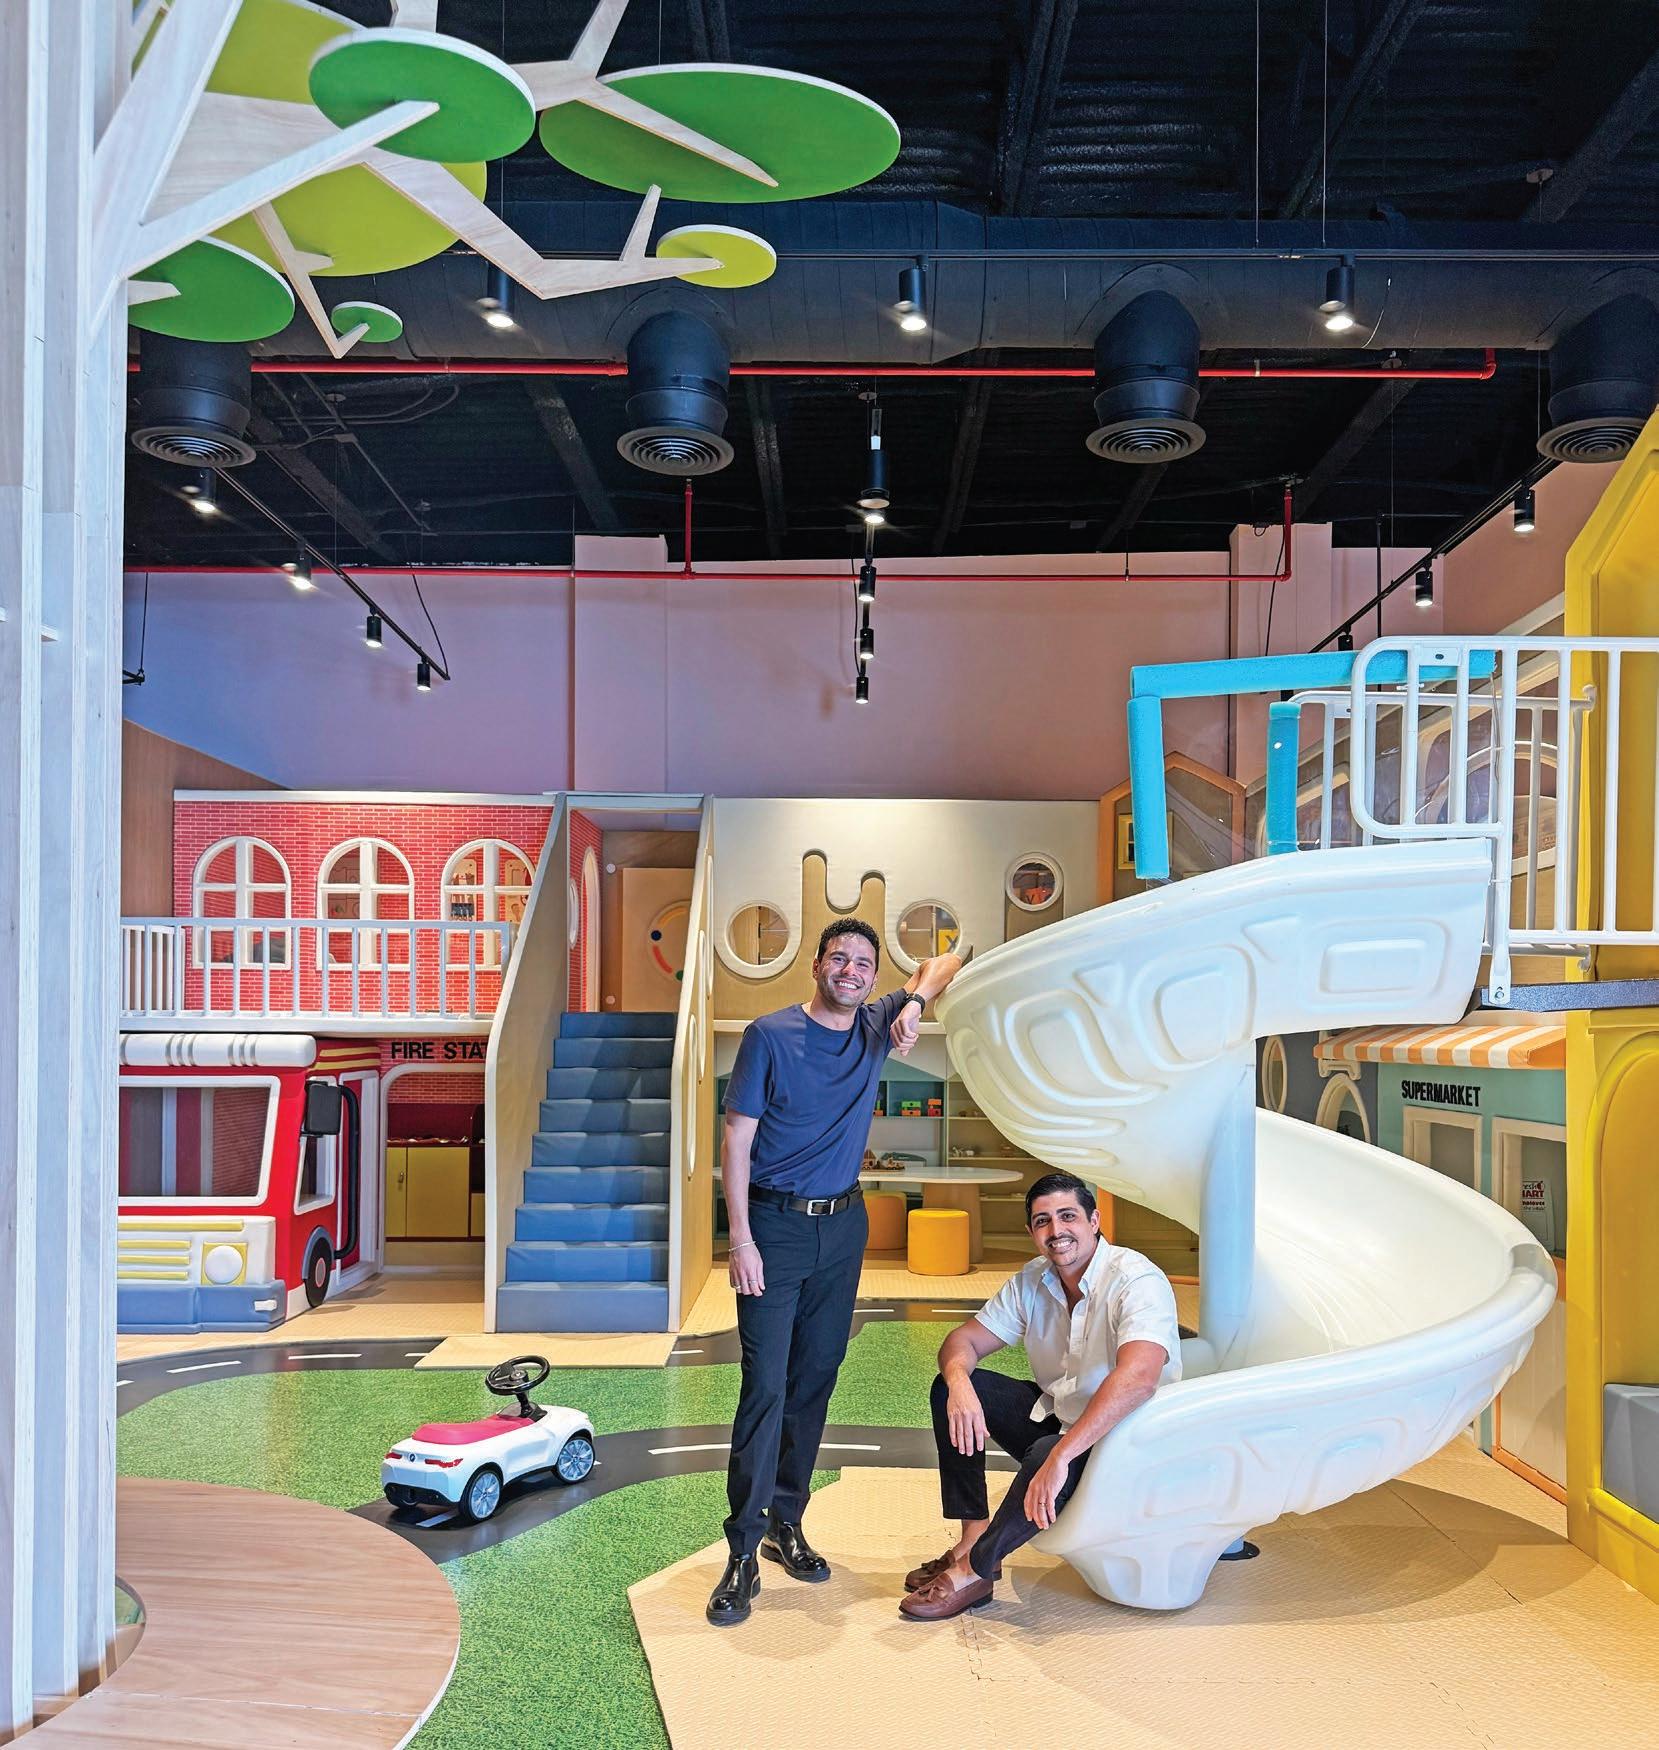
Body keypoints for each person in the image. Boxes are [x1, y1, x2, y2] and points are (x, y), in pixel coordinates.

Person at [707, 918, 965, 1627]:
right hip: (774, 1228)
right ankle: (741, 1549)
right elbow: (736, 1142)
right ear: (816, 965)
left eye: (863, 962)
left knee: (816, 1378)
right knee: (765, 1386)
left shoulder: (878, 1021)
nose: (850, 970)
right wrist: (740, 1240)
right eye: (839, 958)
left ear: (874, 977)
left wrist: (915, 1003)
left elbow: (947, 961)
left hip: (844, 1227)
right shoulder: (768, 1036)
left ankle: (786, 1522)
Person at [899, 1169, 1182, 1621]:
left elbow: (1139, 1378)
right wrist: (959, 1384)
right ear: (1032, 1231)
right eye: (1042, 1221)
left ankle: (976, 1570)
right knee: (951, 1387)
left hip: (1126, 1438)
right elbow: (962, 1341)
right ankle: (972, 1537)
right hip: (1062, 1419)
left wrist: (1061, 1456)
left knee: (1048, 1452)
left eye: (1068, 1216)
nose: (1056, 1230)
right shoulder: (1033, 1280)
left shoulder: (1135, 1279)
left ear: (1094, 1221)